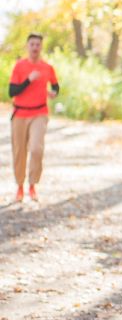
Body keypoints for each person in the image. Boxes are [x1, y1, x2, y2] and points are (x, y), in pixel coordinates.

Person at [8, 33, 59, 203]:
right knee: (19, 151)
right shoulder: (19, 66)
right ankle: (20, 187)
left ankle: (32, 185)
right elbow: (12, 92)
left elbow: (56, 86)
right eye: (32, 44)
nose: (35, 47)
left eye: (38, 44)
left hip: (39, 113)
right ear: (27, 46)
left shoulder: (47, 67)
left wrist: (54, 93)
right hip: (20, 114)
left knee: (37, 149)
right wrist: (28, 80)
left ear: (41, 47)